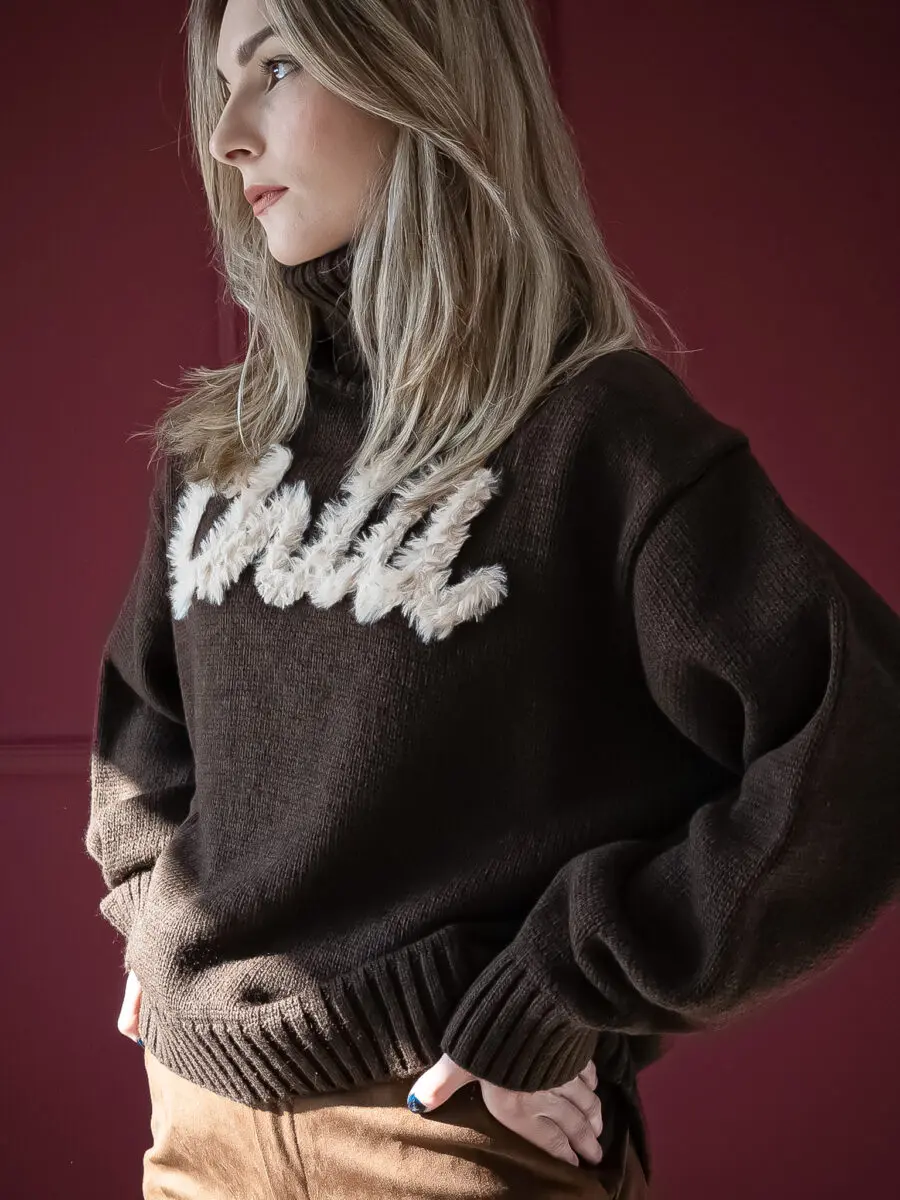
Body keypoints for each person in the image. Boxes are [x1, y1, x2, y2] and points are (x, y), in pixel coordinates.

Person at [84, 0, 900, 1197]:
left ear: (415, 74)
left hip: (449, 1132)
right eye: (222, 83)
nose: (227, 135)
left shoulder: (596, 436)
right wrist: (158, 928)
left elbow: (861, 743)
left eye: (279, 65)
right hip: (196, 1130)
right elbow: (138, 742)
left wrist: (562, 988)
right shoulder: (225, 442)